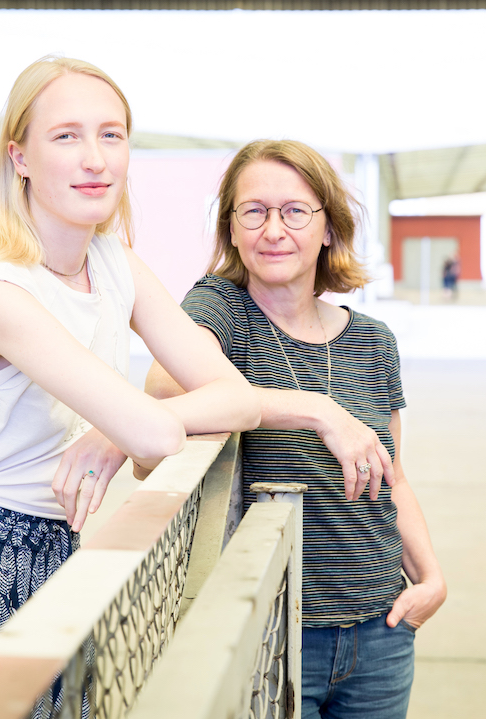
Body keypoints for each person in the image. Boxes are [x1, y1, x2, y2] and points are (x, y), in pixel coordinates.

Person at [0, 56, 259, 719]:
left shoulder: (114, 263)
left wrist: (107, 431)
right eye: (66, 136)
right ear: (20, 157)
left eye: (112, 134)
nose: (95, 158)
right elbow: (155, 433)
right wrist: (127, 424)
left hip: (53, 554)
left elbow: (238, 397)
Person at [145, 140, 445, 719]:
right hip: (272, 630)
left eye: (295, 211)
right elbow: (161, 391)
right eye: (252, 211)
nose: (273, 229)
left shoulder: (373, 341)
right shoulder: (221, 313)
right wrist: (315, 409)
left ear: (328, 228)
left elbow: (395, 479)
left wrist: (430, 578)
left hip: (381, 630)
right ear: (231, 230)